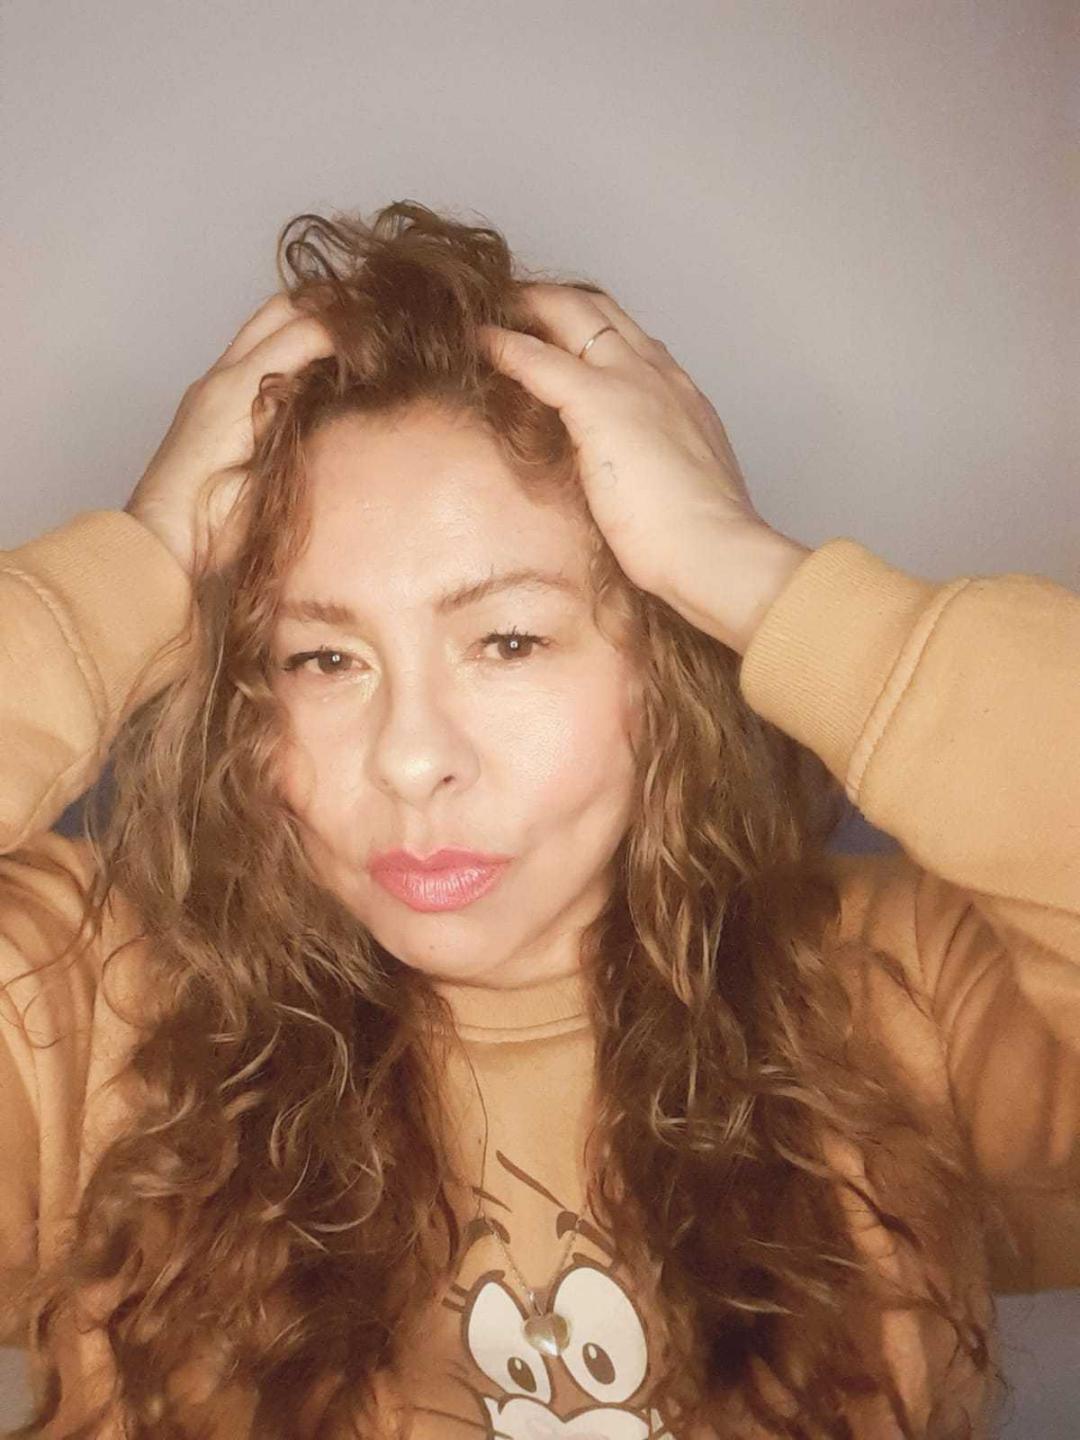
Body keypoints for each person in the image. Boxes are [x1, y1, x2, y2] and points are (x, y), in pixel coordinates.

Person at [0, 200, 1076, 1440]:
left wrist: (745, 571)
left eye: (509, 640)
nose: (413, 760)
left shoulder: (911, 997)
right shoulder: (84, 1017)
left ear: (663, 670)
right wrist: (138, 563)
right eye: (322, 659)